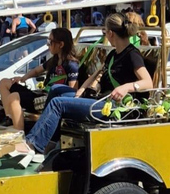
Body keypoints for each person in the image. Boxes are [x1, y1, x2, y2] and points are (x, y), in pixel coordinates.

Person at [17, 13, 153, 154]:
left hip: (113, 107)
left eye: (105, 32)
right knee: (57, 89)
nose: (105, 35)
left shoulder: (132, 54)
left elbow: (148, 82)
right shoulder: (113, 54)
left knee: (58, 103)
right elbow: (95, 76)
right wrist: (81, 92)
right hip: (100, 98)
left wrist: (126, 87)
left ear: (111, 33)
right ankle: (51, 141)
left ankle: (32, 144)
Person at [0, 28, 80, 130]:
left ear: (61, 45)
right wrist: (22, 78)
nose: (47, 45)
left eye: (50, 42)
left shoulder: (71, 65)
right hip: (41, 95)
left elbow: (72, 91)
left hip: (50, 101)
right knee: (4, 83)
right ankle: (9, 117)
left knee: (14, 98)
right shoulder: (54, 60)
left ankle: (19, 133)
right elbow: (37, 70)